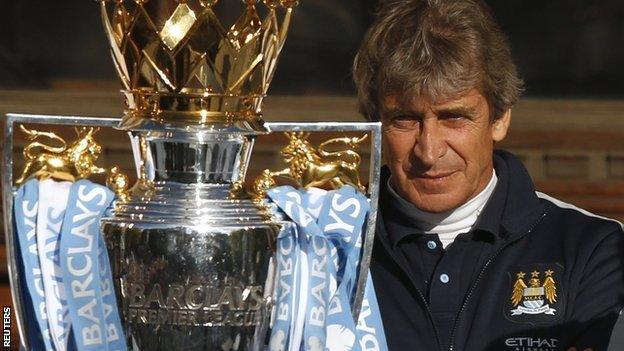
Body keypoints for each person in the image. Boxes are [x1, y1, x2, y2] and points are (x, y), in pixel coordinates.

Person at [352, 0, 624, 350]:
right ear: (375, 125)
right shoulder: (328, 248)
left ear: (499, 119)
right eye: (405, 119)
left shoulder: (589, 248)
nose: (429, 150)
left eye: (454, 117)